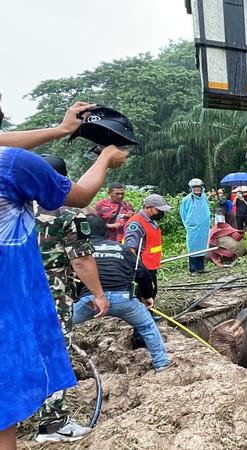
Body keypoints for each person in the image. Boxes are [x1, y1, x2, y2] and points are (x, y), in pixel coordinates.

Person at [0, 135, 128, 447]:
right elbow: (82, 259)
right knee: (50, 351)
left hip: (15, 293)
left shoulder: (23, 207)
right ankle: (53, 421)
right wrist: (99, 294)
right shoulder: (65, 213)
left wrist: (61, 129)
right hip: (39, 293)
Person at [72, 214, 170, 371]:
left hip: (91, 301)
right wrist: (147, 296)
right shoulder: (122, 248)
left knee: (59, 326)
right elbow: (143, 274)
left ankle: (53, 364)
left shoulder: (78, 251)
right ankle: (162, 364)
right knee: (147, 326)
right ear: (105, 231)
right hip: (124, 300)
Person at [125, 194, 171, 298]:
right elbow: (131, 250)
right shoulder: (136, 224)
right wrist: (141, 275)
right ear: (147, 207)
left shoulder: (151, 221)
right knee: (144, 296)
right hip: (142, 269)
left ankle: (149, 313)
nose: (161, 213)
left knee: (151, 293)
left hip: (151, 267)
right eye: (158, 210)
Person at [180, 178, 211, 276]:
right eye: (194, 187)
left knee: (202, 246)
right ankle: (193, 269)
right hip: (193, 228)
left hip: (204, 228)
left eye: (198, 187)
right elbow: (183, 213)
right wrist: (189, 225)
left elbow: (207, 210)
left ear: (201, 188)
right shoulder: (187, 200)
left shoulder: (204, 198)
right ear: (191, 188)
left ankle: (201, 267)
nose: (197, 189)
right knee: (193, 247)